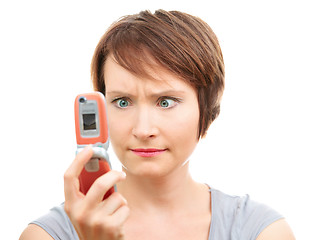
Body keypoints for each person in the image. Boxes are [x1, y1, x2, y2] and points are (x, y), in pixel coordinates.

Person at [20, 9, 295, 240]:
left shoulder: (261, 231)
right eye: (123, 102)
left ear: (207, 107)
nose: (142, 129)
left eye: (165, 102)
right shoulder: (47, 235)